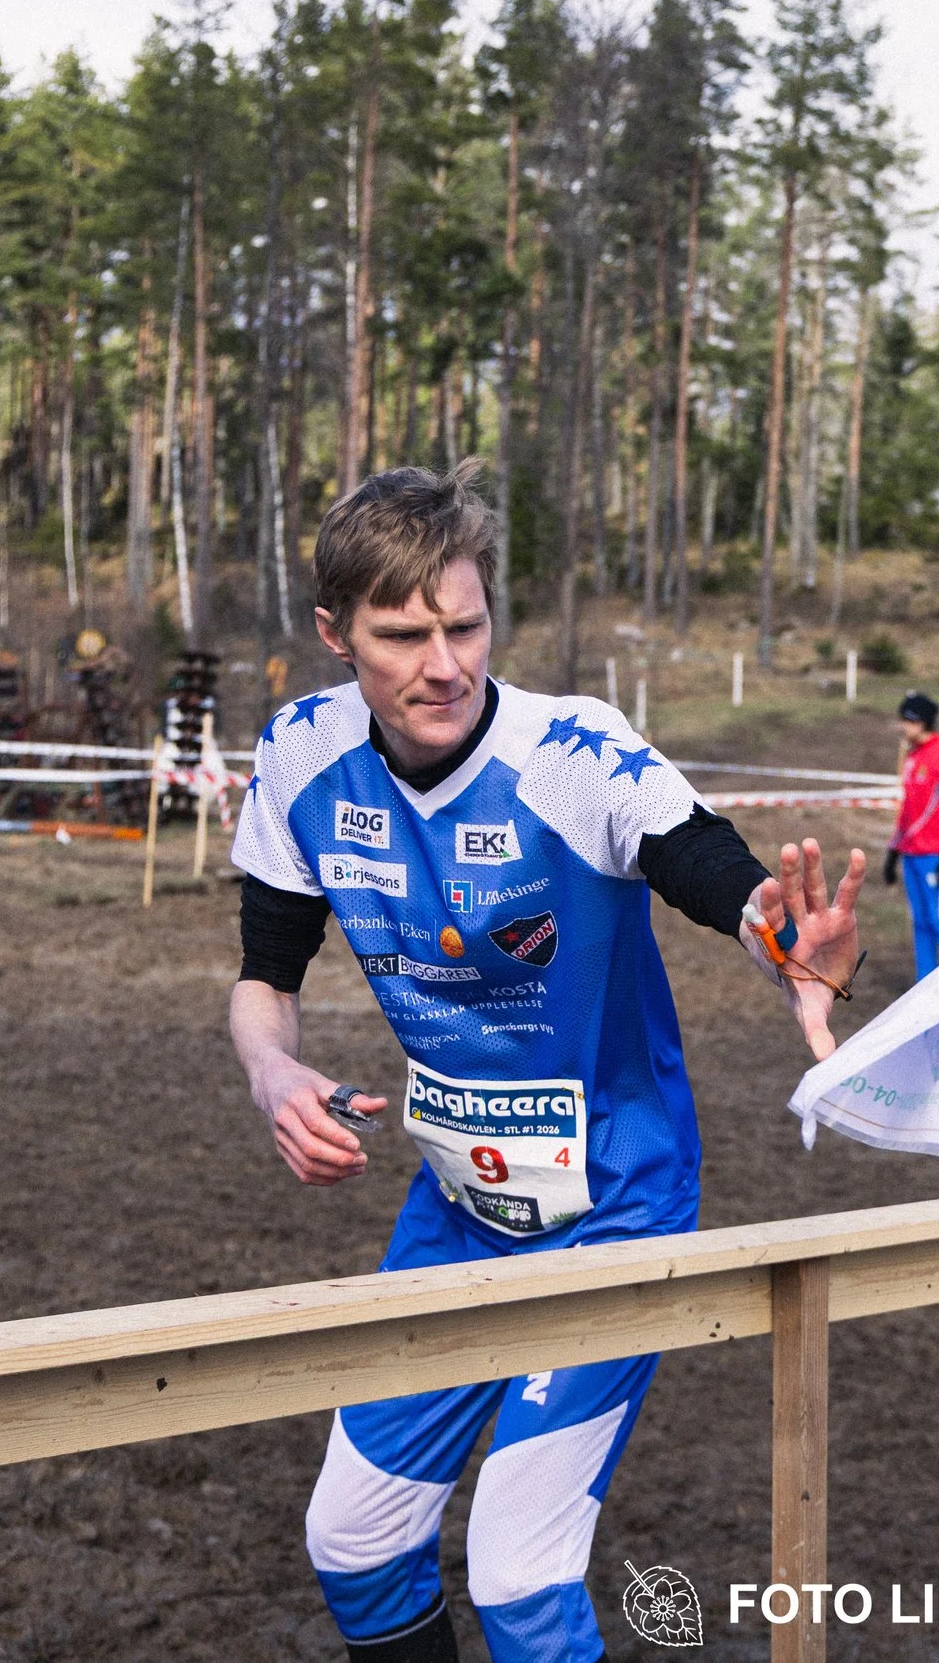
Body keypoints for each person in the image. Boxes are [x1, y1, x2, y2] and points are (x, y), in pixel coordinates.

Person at [227, 462, 865, 1663]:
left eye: (464, 625)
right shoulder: (300, 756)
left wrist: (783, 939)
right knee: (354, 1538)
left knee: (518, 1575)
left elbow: (700, 857)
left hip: (613, 1207)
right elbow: (265, 979)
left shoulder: (570, 751)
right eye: (402, 634)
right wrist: (273, 1074)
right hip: (458, 1204)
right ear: (332, 634)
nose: (444, 664)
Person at [884, 689, 939, 979]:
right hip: (910, 854)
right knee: (919, 921)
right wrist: (893, 850)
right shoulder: (911, 757)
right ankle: (926, 986)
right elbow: (907, 810)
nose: (901, 726)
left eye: (906, 720)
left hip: (935, 855)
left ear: (920, 722)